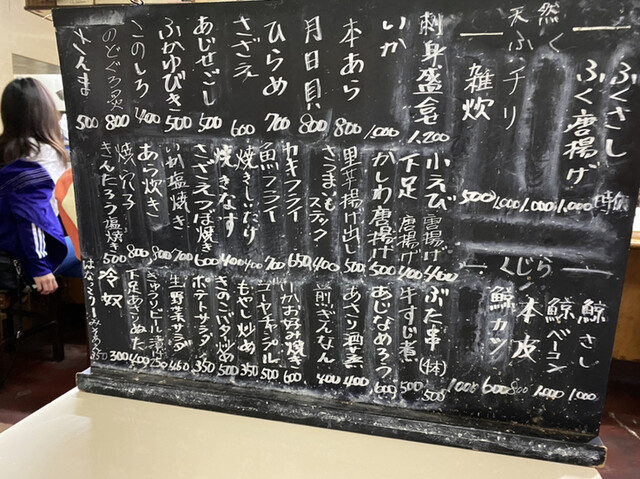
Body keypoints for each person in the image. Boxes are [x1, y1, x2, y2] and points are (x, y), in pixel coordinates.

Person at [0, 77, 81, 295]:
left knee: (84, 263)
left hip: (7, 255)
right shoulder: (44, 155)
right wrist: (40, 267)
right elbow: (33, 218)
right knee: (94, 250)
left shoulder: (6, 151)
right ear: (46, 112)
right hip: (25, 261)